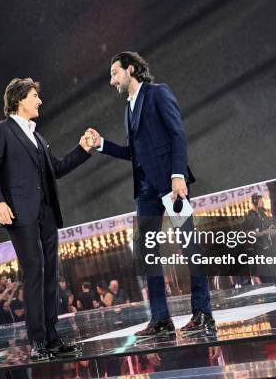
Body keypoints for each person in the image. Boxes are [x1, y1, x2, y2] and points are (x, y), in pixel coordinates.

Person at [88, 51, 213, 335]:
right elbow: (133, 152)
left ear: (130, 69)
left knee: (189, 247)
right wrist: (102, 144)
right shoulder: (128, 108)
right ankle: (160, 319)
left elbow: (177, 133)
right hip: (144, 192)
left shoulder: (158, 93)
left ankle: (202, 313)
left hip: (171, 186)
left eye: (114, 73)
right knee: (148, 255)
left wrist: (178, 175)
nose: (112, 81)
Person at [0, 78, 91, 360]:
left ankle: (53, 338)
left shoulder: (38, 137)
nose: (39, 101)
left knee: (51, 272)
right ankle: (37, 341)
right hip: (19, 213)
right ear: (19, 100)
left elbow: (55, 168)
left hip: (46, 212)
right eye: (34, 96)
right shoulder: (0, 131)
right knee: (34, 271)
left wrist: (82, 149)